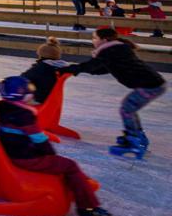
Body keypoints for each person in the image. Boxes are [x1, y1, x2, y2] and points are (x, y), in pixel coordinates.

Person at [0, 76, 114, 216]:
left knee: (63, 166)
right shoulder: (25, 116)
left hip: (13, 154)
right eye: (29, 90)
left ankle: (81, 185)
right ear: (21, 94)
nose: (33, 94)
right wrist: (50, 155)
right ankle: (88, 209)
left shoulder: (0, 108)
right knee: (70, 165)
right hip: (28, 158)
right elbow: (39, 139)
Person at [65, 27, 166, 157]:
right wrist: (78, 70)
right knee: (129, 109)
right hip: (152, 83)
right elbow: (103, 69)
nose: (92, 41)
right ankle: (137, 136)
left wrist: (70, 69)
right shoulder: (116, 48)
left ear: (104, 40)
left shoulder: (110, 50)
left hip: (150, 84)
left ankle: (133, 141)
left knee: (127, 109)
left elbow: (91, 65)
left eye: (95, 38)